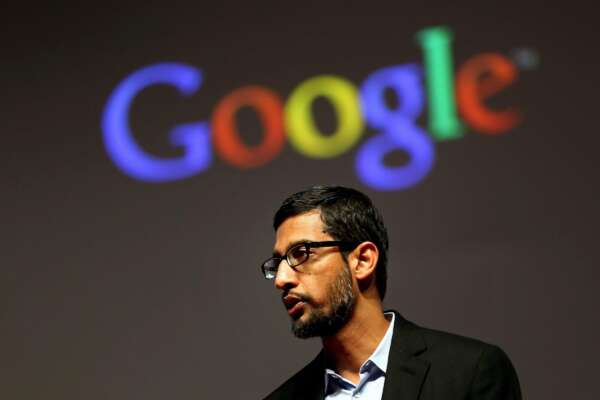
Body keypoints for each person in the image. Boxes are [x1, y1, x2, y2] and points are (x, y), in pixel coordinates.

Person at [261, 185, 521, 400]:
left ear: (362, 261)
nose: (281, 279)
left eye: (301, 254)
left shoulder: (470, 372)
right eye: (277, 264)